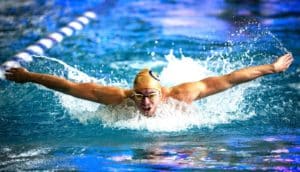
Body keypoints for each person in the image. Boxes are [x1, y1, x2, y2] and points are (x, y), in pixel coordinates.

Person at [5, 53, 293, 117]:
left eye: (150, 96)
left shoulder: (181, 94)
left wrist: (272, 68)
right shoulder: (118, 97)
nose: (144, 103)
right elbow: (69, 87)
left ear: (161, 93)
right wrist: (29, 76)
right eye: (139, 97)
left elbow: (230, 79)